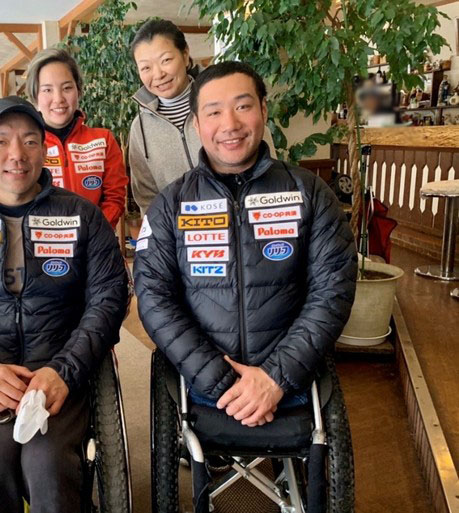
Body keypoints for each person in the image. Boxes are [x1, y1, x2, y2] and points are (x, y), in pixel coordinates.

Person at [0, 96, 128, 513]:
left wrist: (64, 370)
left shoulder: (83, 217)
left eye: (30, 141)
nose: (17, 154)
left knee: (48, 463)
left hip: (61, 368)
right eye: (1, 141)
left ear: (43, 150)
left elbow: (109, 298)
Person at [133, 61, 357, 427]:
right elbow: (154, 297)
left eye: (242, 106)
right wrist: (222, 382)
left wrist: (274, 379)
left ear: (263, 110)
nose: (230, 124)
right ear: (196, 124)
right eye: (214, 112)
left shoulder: (311, 193)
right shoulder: (170, 205)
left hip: (292, 380)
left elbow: (333, 291)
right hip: (204, 386)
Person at [128, 19, 277, 214]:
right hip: (180, 228)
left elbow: (268, 166)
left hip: (247, 220)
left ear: (185, 55)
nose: (158, 74)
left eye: (166, 60)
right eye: (146, 68)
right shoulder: (140, 128)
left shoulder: (227, 102)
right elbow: (147, 199)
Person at [26, 48, 129, 229]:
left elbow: (115, 198)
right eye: (47, 90)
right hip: (42, 241)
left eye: (67, 88)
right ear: (35, 96)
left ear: (79, 90)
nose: (58, 99)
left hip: (95, 241)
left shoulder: (103, 140)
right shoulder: (25, 146)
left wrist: (93, 234)